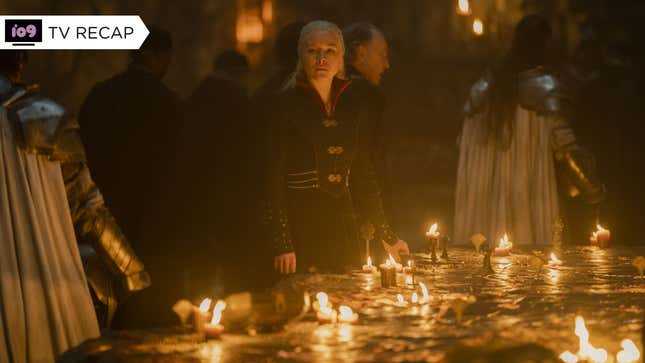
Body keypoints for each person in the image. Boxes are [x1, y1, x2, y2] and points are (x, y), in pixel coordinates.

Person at [0, 50, 149, 362]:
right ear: (18, 62)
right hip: (32, 282)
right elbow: (88, 209)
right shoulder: (41, 118)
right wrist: (132, 272)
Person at [267, 20, 408, 274]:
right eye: (313, 50)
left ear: (341, 55)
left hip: (342, 222)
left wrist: (387, 234)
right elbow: (272, 178)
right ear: (301, 54)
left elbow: (363, 172)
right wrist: (282, 242)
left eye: (330, 50)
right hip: (302, 222)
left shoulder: (352, 104)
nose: (322, 58)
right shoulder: (284, 104)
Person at [453, 15, 605, 246]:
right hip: (528, 213)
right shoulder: (545, 90)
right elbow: (566, 151)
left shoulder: (483, 89)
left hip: (484, 216)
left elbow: (462, 145)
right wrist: (593, 190)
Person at [78, 26, 183, 328]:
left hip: (100, 216)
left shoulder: (100, 96)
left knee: (103, 309)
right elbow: (177, 170)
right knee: (147, 311)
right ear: (159, 57)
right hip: (153, 223)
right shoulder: (167, 103)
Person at [343, 22, 392, 224]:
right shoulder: (363, 95)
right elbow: (364, 157)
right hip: (360, 207)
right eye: (382, 55)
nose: (387, 64)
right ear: (361, 53)